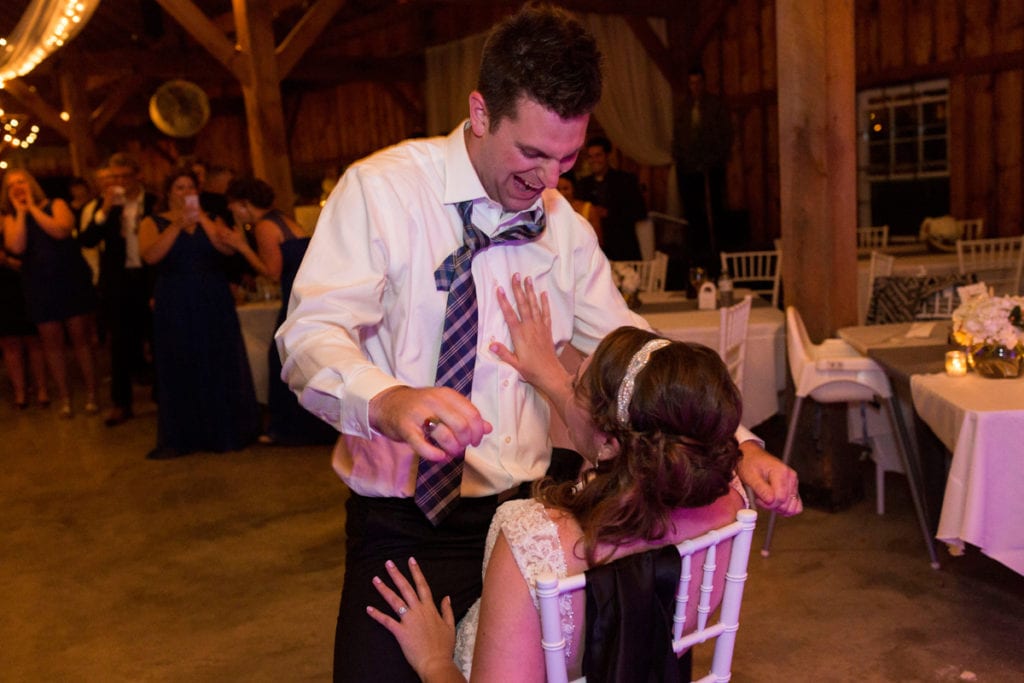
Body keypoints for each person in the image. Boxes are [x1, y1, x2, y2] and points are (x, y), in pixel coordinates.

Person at [276, 6, 799, 681]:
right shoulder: (381, 193)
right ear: (481, 113)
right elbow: (309, 336)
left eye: (568, 157)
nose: (551, 181)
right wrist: (389, 400)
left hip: (527, 517)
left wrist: (741, 443)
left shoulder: (565, 228)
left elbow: (635, 348)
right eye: (532, 154)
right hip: (402, 523)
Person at [368, 276, 747, 681]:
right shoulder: (730, 501)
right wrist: (548, 373)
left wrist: (434, 661)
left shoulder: (536, 543)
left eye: (575, 383)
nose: (564, 385)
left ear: (609, 443)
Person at [138, 169, 259, 460]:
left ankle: (224, 430)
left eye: (190, 187)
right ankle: (186, 433)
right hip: (175, 298)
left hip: (212, 295)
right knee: (182, 358)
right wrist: (177, 226)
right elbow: (150, 256)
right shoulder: (152, 222)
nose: (185, 193)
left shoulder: (212, 218)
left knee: (217, 357)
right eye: (179, 188)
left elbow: (226, 250)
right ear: (169, 192)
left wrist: (201, 217)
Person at [224, 177, 336, 445]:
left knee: (282, 359)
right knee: (299, 357)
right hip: (306, 295)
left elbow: (272, 272)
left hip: (294, 299)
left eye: (234, 206)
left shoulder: (264, 226)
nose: (233, 212)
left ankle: (289, 428)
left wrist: (241, 247)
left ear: (244, 204)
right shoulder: (283, 218)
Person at [2, 168, 99, 418]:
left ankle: (92, 394)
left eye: (21, 181)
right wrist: (21, 212)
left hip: (69, 278)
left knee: (79, 338)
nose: (17, 187)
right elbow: (16, 247)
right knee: (51, 344)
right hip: (38, 284)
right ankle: (65, 398)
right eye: (11, 184)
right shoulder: (10, 217)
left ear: (31, 183)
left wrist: (33, 208)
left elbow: (61, 230)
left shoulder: (56, 204)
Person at [79, 153, 160, 427]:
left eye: (125, 176)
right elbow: (88, 240)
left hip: (150, 278)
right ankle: (121, 402)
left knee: (158, 338)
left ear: (138, 176)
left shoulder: (153, 202)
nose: (120, 182)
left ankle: (164, 395)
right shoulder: (103, 206)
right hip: (119, 282)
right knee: (120, 344)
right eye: (115, 177)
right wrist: (105, 209)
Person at [671, 66, 734, 266]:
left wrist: (714, 159)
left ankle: (718, 251)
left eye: (698, 82)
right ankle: (697, 252)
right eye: (692, 83)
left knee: (715, 208)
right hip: (688, 167)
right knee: (693, 211)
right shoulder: (683, 108)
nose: (695, 87)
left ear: (704, 83)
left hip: (712, 165)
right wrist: (682, 158)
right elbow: (678, 137)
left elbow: (725, 135)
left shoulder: (715, 106)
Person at [575, 136, 647, 261]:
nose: (594, 160)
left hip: (623, 247)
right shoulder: (583, 184)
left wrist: (609, 213)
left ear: (607, 156)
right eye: (590, 157)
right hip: (593, 249)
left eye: (598, 155)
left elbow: (640, 212)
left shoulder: (626, 180)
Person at [0, 222, 46, 409]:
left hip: (25, 285)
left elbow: (35, 258)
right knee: (9, 341)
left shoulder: (18, 219)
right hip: (2, 289)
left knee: (33, 339)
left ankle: (42, 388)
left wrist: (7, 261)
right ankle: (20, 391)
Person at [556, 173, 602, 247]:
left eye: (566, 189)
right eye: (558, 189)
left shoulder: (588, 208)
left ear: (573, 189)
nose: (562, 193)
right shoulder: (549, 209)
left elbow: (598, 240)